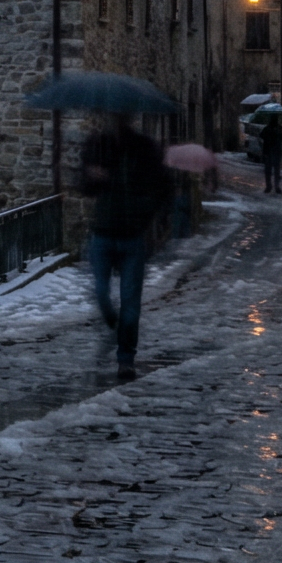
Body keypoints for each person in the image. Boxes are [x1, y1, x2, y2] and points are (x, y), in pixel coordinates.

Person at [78, 113, 168, 381]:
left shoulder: (144, 149)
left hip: (132, 235)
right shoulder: (98, 145)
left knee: (130, 303)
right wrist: (92, 177)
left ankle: (126, 358)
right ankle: (116, 325)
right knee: (102, 294)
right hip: (103, 231)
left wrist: (146, 215)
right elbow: (83, 185)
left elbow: (161, 188)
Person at [255, 114, 282, 195]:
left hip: (268, 151)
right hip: (276, 151)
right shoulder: (280, 129)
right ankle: (276, 186)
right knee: (276, 170)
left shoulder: (267, 129)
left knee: (268, 170)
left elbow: (261, 136)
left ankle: (269, 186)